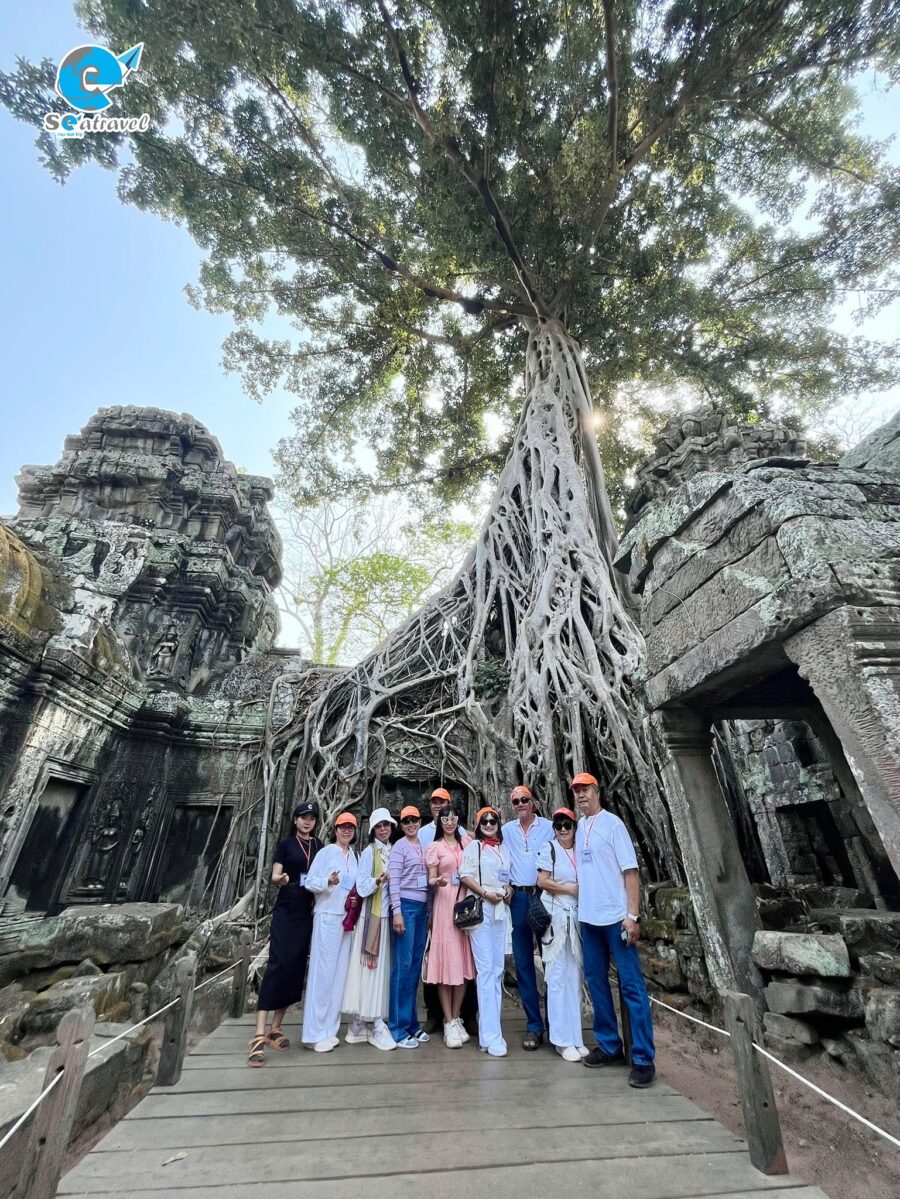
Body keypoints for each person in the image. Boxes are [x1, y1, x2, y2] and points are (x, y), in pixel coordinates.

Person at [571, 771, 656, 1088]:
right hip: (589, 918)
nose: (581, 795)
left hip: (616, 919)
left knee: (632, 985)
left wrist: (632, 915)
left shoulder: (614, 825)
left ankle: (644, 1057)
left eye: (586, 790)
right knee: (595, 981)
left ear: (597, 791)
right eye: (577, 791)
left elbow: (630, 872)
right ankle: (609, 1045)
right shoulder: (580, 828)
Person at [248, 801, 322, 1067]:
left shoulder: (319, 846)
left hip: (307, 912)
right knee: (277, 966)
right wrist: (279, 879)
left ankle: (276, 1028)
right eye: (303, 817)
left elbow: (322, 876)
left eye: (312, 818)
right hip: (286, 911)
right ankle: (258, 1033)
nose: (307, 822)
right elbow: (275, 874)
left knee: (294, 967)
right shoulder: (286, 844)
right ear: (295, 820)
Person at [301, 812, 359, 1052]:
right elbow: (309, 881)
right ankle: (314, 1033)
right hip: (327, 916)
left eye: (350, 828)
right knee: (322, 974)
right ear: (335, 829)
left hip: (346, 920)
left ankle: (330, 1029)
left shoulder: (354, 856)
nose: (346, 831)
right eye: (342, 827)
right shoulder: (326, 853)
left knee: (339, 975)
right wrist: (328, 882)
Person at [501, 785, 554, 1050]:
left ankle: (556, 1026)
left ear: (533, 802)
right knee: (523, 965)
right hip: (519, 899)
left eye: (525, 800)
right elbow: (492, 853)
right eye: (516, 801)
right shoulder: (506, 830)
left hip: (544, 896)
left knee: (552, 961)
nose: (521, 804)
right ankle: (534, 1026)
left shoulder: (550, 826)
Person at [419, 786, 475, 1033]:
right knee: (444, 959)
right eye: (445, 818)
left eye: (453, 817)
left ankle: (458, 1017)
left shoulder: (468, 842)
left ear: (457, 819)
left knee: (462, 960)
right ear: (439, 819)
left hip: (464, 904)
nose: (449, 821)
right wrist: (436, 881)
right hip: (443, 904)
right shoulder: (434, 846)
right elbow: (430, 878)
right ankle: (447, 1018)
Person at [536, 807, 588, 1063]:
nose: (563, 830)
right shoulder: (550, 849)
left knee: (573, 976)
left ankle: (576, 1037)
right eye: (558, 825)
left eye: (567, 824)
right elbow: (542, 881)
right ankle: (560, 1039)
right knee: (556, 977)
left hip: (576, 919)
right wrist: (570, 890)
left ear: (574, 826)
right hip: (556, 918)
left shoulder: (580, 850)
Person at [460, 806, 512, 1057]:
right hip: (482, 908)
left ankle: (491, 1032)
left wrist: (508, 889)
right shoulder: (474, 847)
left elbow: (506, 877)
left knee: (498, 969)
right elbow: (464, 875)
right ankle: (491, 1036)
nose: (489, 824)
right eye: (485, 821)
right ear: (478, 824)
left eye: (493, 821)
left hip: (501, 909)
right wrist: (484, 893)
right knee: (486, 970)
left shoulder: (503, 848)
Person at [342, 807, 396, 1051]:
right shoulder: (368, 852)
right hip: (371, 918)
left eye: (386, 825)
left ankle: (362, 1023)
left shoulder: (394, 851)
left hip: (388, 917)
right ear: (373, 829)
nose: (383, 829)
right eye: (379, 826)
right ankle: (372, 1021)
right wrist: (378, 880)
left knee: (381, 969)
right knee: (369, 970)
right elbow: (361, 887)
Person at [388, 805, 430, 1048]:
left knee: (415, 967)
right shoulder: (399, 847)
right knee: (402, 967)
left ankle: (412, 1023)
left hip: (422, 910)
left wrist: (431, 911)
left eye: (414, 819)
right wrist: (397, 912)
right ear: (401, 825)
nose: (411, 824)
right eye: (406, 821)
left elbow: (429, 883)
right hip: (405, 907)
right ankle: (397, 1027)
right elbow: (394, 881)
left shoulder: (424, 846)